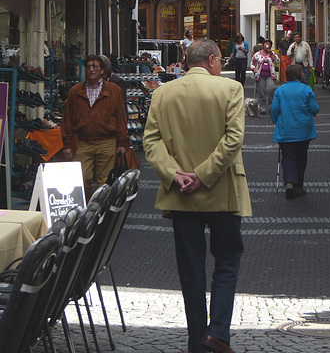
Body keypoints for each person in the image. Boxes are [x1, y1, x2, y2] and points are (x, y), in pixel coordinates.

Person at [143, 39, 252, 353]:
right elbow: (233, 140)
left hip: (180, 195)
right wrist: (203, 175)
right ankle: (216, 334)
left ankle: (196, 341)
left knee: (190, 269)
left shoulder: (162, 93)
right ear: (214, 60)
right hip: (222, 191)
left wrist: (175, 174)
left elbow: (152, 142)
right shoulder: (230, 90)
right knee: (227, 261)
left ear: (188, 62)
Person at [61, 54, 129, 200]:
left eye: (95, 66)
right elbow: (67, 118)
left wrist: (123, 142)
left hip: (106, 141)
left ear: (102, 70)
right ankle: (89, 205)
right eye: (88, 66)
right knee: (82, 178)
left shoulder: (113, 90)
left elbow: (121, 116)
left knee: (104, 181)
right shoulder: (75, 91)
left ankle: (100, 211)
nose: (91, 69)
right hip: (84, 142)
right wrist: (67, 143)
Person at [271, 63, 319, 198]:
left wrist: (275, 121)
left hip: (285, 130)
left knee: (288, 157)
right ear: (299, 75)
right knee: (301, 157)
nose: (304, 74)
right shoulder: (307, 90)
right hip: (304, 130)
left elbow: (274, 110)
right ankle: (298, 185)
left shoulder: (280, 91)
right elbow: (314, 109)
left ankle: (289, 182)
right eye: (302, 73)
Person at [251, 39, 279, 115]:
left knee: (270, 89)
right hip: (260, 75)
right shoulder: (257, 54)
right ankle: (262, 108)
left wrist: (271, 53)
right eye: (266, 43)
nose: (267, 45)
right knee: (261, 91)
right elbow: (252, 63)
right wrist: (254, 69)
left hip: (270, 75)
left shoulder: (271, 53)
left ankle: (271, 106)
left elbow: (277, 61)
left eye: (269, 44)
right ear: (263, 45)